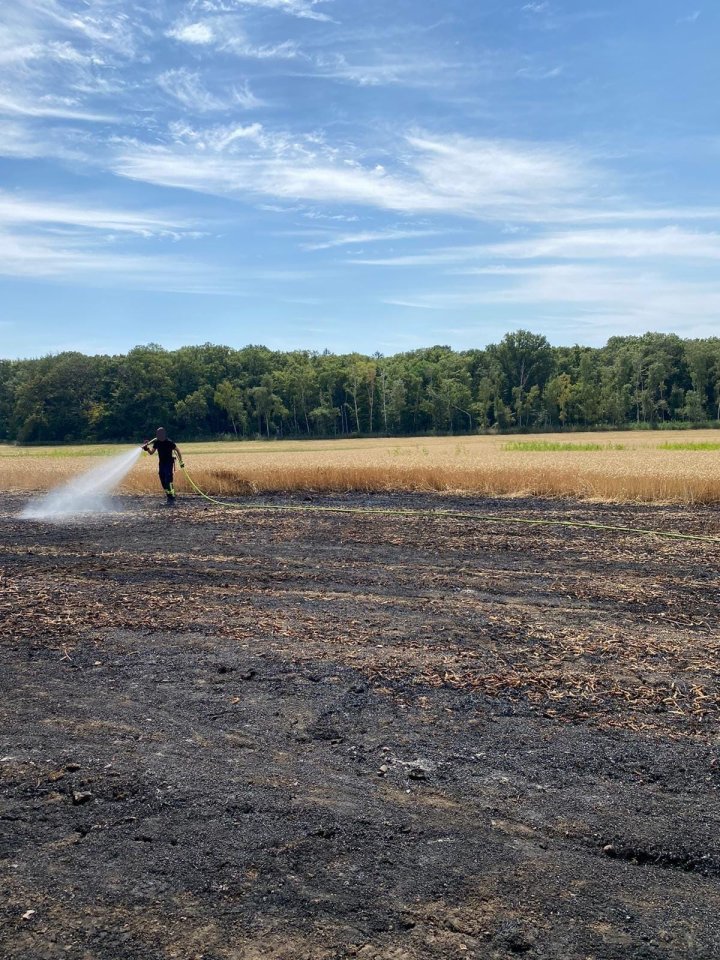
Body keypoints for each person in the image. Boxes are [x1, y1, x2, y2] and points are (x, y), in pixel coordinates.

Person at [142, 427, 184, 503]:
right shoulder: (157, 442)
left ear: (163, 434)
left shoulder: (169, 442)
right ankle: (168, 495)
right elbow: (151, 452)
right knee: (162, 478)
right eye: (157, 434)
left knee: (168, 478)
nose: (158, 435)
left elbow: (178, 450)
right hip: (162, 463)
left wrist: (181, 461)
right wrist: (147, 449)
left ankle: (172, 496)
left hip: (169, 462)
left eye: (160, 434)